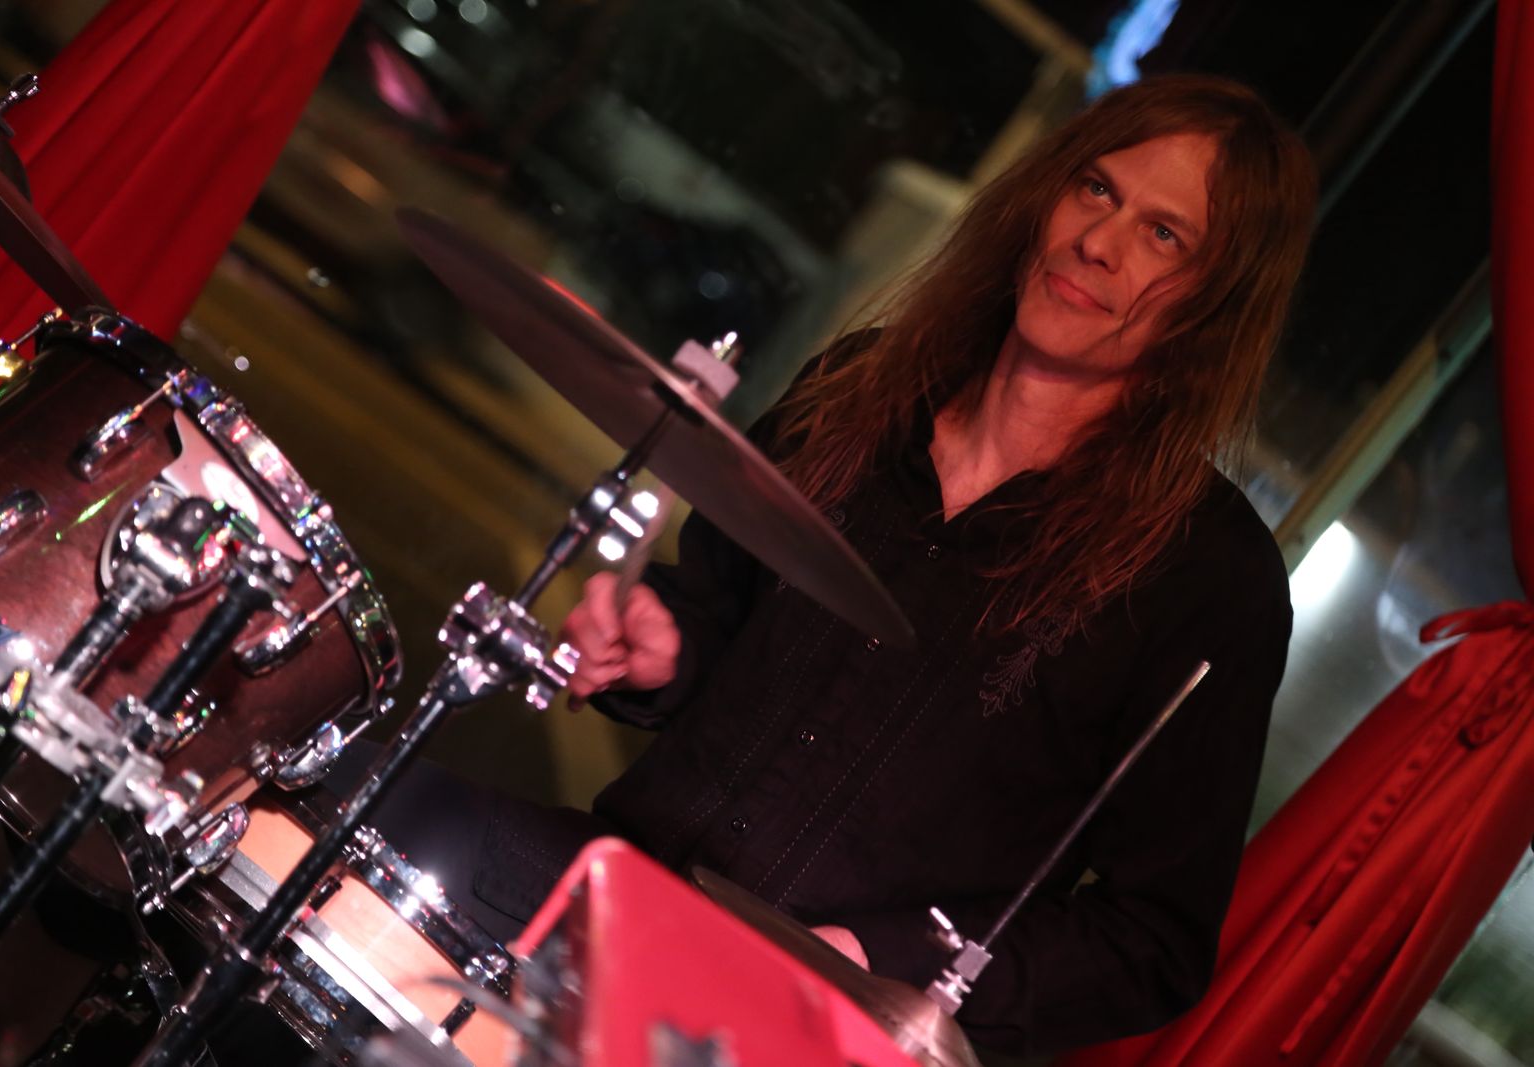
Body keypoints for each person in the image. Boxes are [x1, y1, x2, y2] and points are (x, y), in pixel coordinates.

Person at [346, 71, 1317, 1059]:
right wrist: (658, 650)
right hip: (617, 884)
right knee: (350, 815)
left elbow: (1149, 940)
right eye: (1096, 188)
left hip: (808, 1021)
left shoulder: (1207, 577)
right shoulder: (860, 388)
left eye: (1164, 236)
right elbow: (713, 612)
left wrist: (879, 959)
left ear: (1214, 304)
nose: (1098, 241)